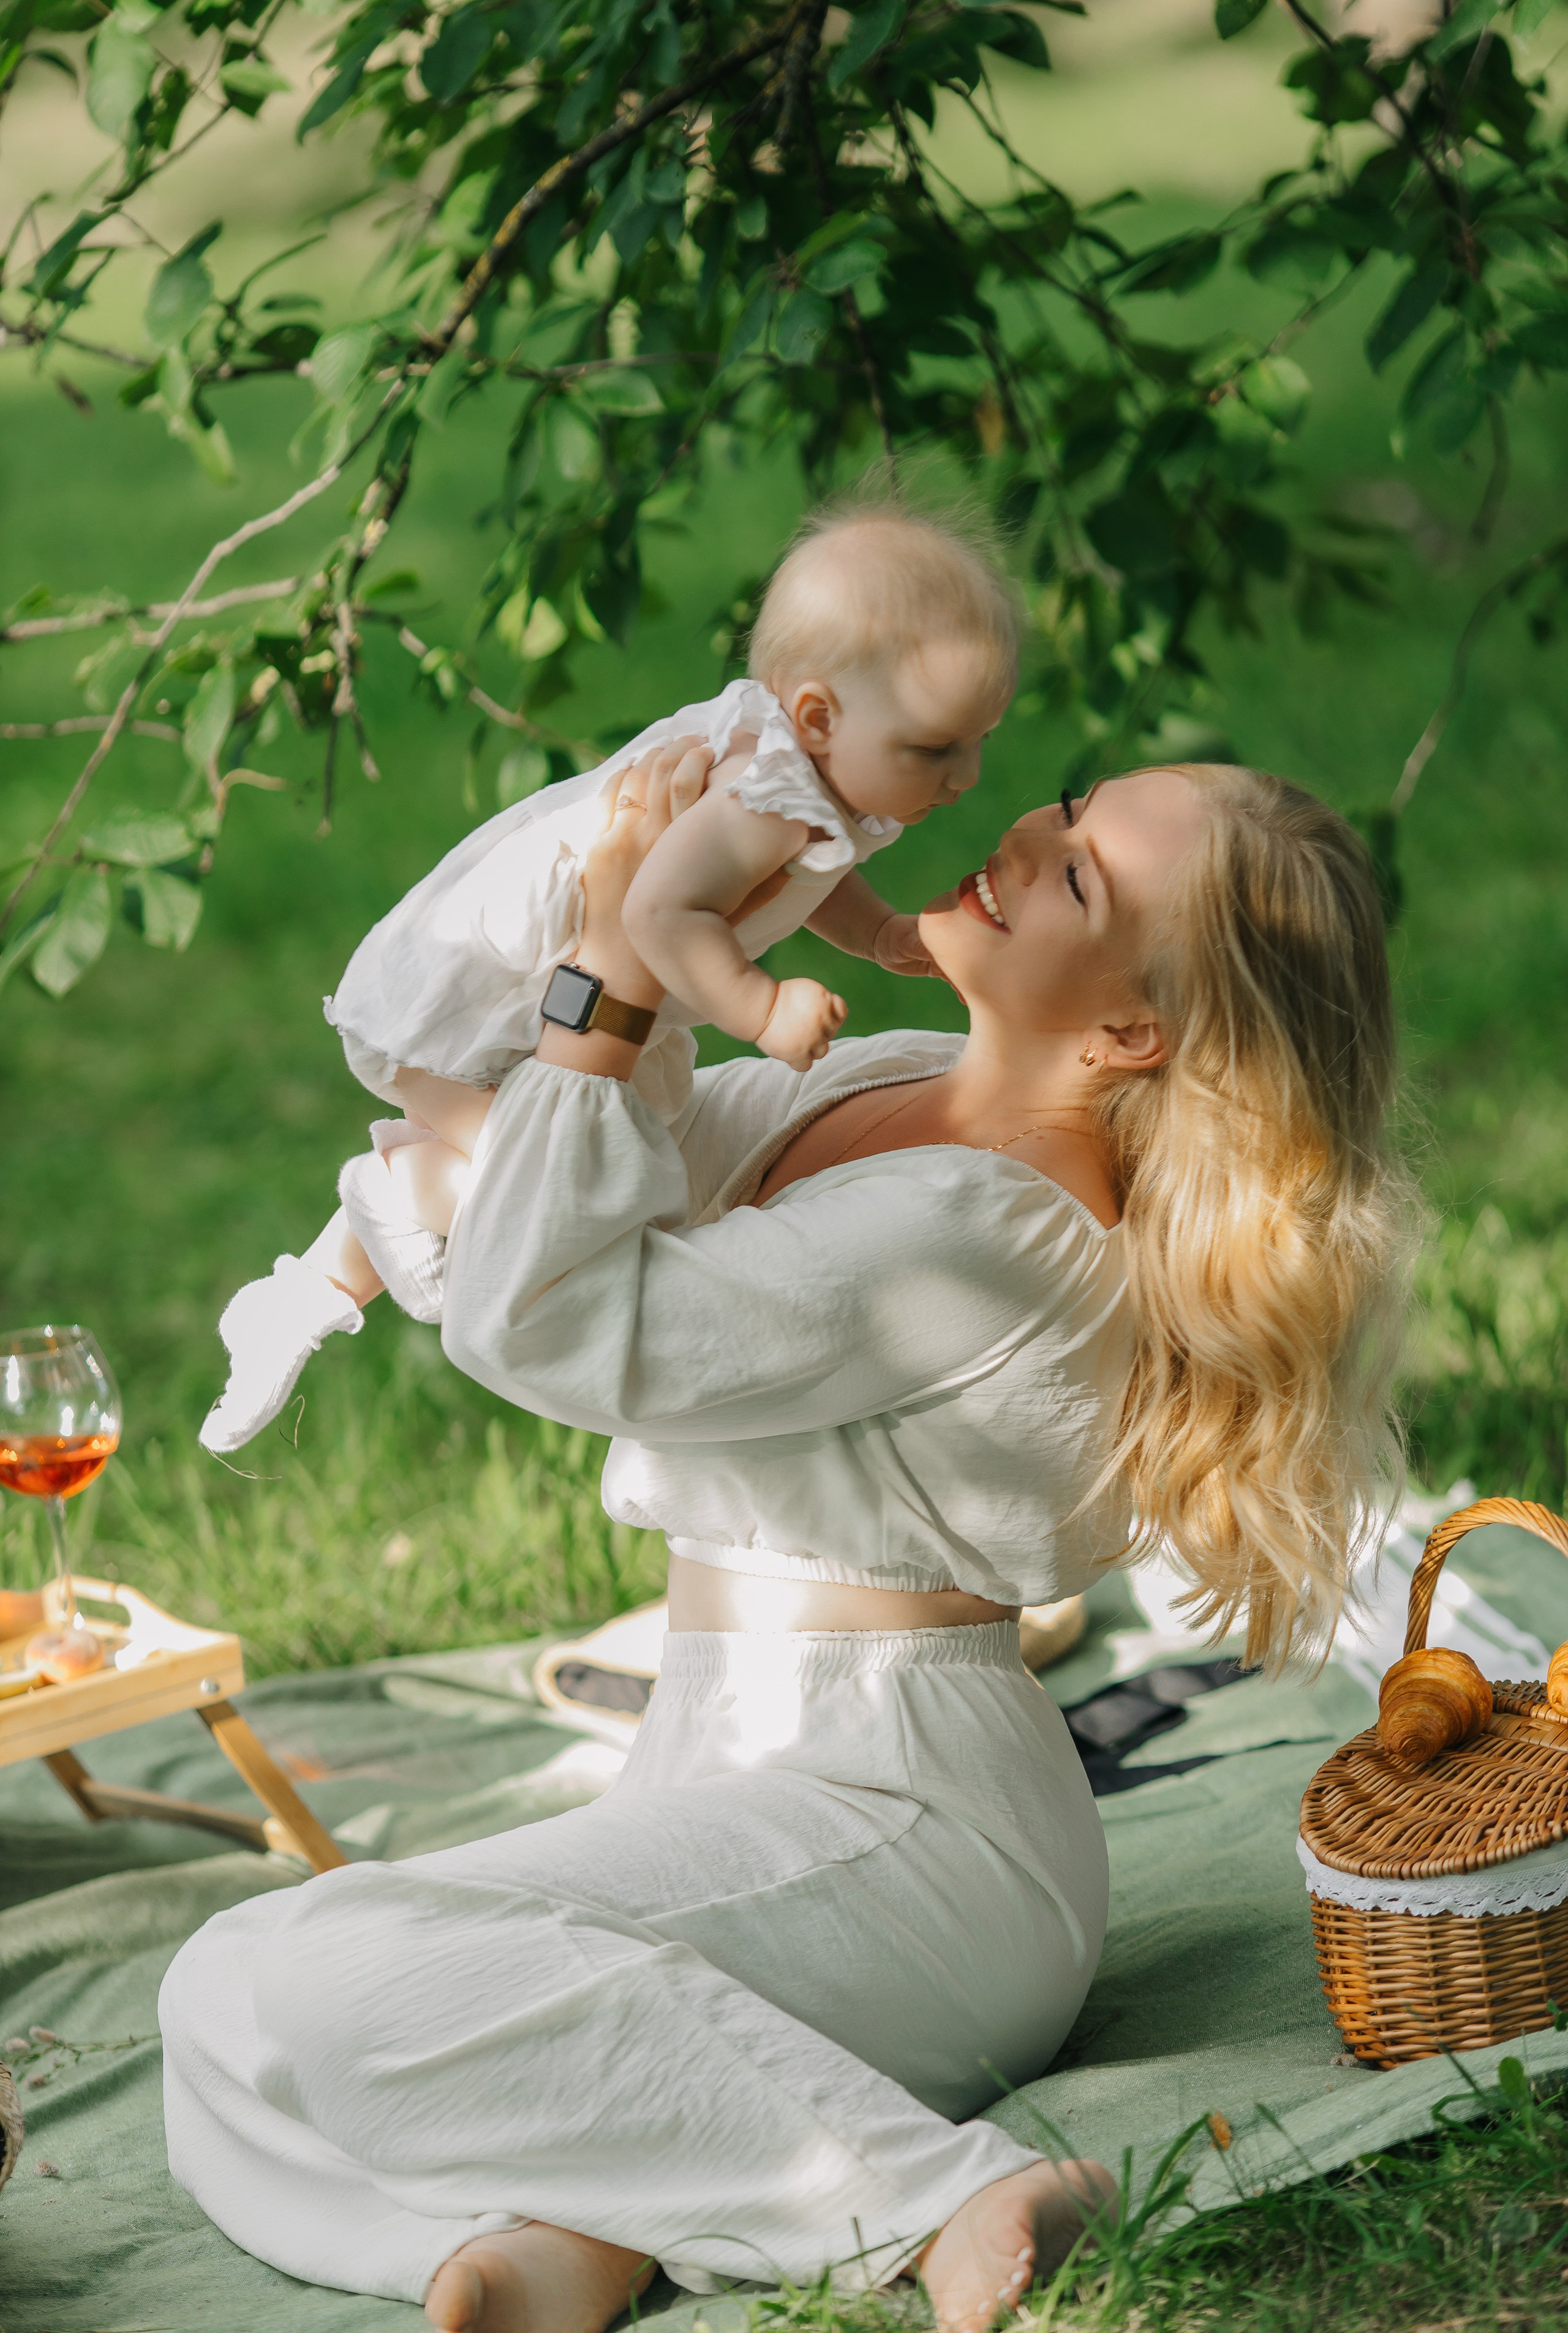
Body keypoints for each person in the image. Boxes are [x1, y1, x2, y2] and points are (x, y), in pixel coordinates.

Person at [159, 742, 1411, 2333]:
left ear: (1129, 1030)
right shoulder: (874, 1075)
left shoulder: (1000, 1232)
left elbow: (552, 1319)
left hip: (908, 1827)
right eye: (1073, 807)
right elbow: (564, 1175)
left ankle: (938, 2198)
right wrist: (641, 906)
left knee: (339, 1977)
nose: (1023, 835)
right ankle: (549, 2243)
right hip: (731, 1763)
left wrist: (614, 988)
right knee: (219, 1996)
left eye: (1082, 873)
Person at [197, 499, 1019, 1455]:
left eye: (976, 741)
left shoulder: (812, 787)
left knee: (586, 1187)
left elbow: (810, 872)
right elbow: (659, 912)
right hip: (489, 1004)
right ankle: (380, 1212)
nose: (966, 777)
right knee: (576, 1200)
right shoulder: (763, 796)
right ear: (818, 716)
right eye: (935, 749)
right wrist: (760, 1008)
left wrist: (876, 934)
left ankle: (316, 1278)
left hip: (557, 1005)